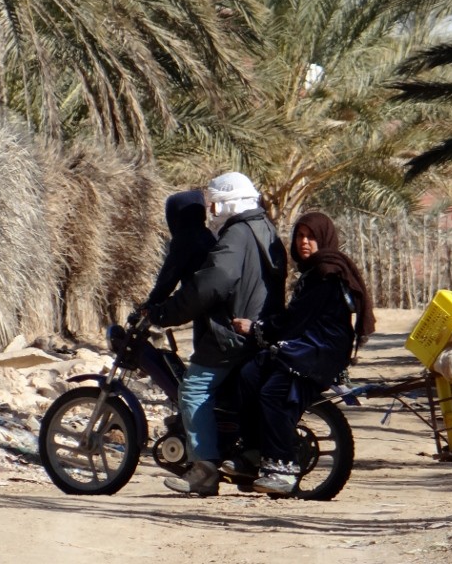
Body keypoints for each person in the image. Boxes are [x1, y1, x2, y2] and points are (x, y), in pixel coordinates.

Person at [147, 171, 287, 496]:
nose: (211, 212)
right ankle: (245, 454)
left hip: (232, 334)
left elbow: (210, 284)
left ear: (227, 203)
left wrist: (165, 313)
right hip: (260, 329)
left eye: (215, 205)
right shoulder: (265, 228)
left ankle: (204, 470)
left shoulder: (237, 234)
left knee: (193, 389)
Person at [224, 211, 375, 495]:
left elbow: (295, 319)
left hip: (321, 348)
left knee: (274, 393)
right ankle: (254, 452)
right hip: (307, 343)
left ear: (324, 238)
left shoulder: (326, 273)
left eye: (311, 236)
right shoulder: (314, 272)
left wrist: (257, 327)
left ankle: (283, 468)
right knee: (249, 374)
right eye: (300, 236)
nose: (304, 242)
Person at [142, 189, 216, 309]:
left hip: (202, 303)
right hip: (212, 298)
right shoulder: (207, 234)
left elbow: (169, 276)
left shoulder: (186, 239)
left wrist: (151, 302)